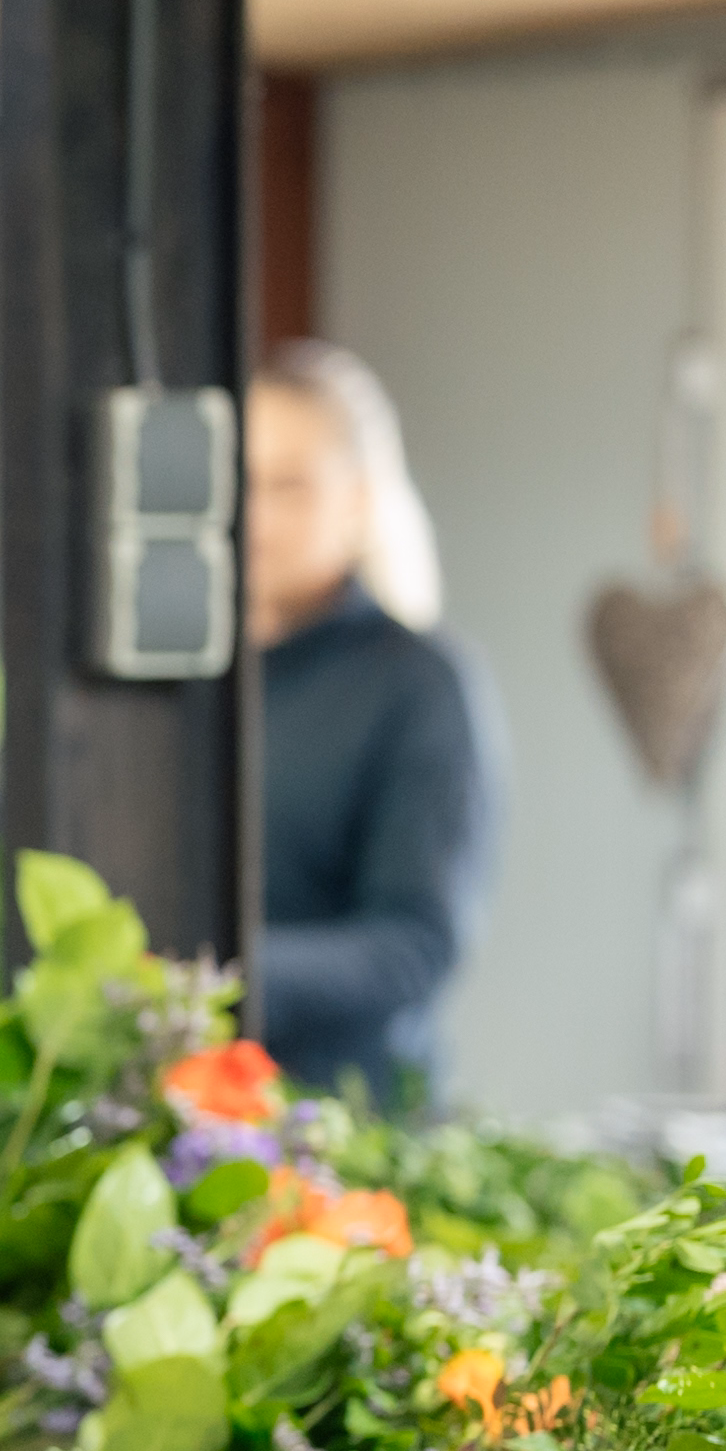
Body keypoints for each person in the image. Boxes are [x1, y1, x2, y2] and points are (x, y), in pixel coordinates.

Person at [249, 339, 501, 1108]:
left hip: (350, 1121)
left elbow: (414, 944)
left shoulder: (420, 684)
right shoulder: (187, 687)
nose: (255, 516)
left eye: (289, 485)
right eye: (240, 482)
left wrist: (214, 973)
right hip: (186, 1110)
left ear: (359, 498)